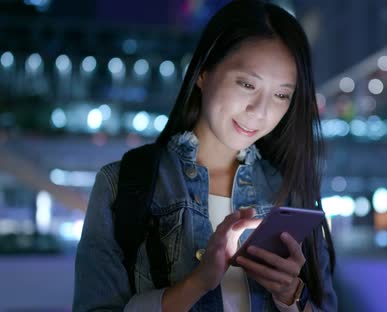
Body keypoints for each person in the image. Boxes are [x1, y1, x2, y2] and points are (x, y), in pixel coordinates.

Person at [73, 0, 337, 311]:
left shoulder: (290, 193)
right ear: (203, 73)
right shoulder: (123, 184)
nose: (261, 111)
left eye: (281, 95)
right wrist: (197, 282)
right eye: (247, 84)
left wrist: (290, 295)